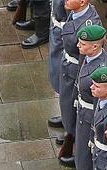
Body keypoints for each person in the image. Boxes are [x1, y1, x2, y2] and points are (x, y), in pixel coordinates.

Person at [71, 25, 107, 170]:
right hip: (83, 111)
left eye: (83, 43)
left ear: (95, 47)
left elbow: (102, 103)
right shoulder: (88, 57)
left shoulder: (102, 70)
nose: (78, 45)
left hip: (91, 117)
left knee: (90, 158)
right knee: (82, 153)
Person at [57, 0, 102, 167]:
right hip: (68, 65)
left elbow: (86, 61)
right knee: (67, 106)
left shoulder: (88, 24)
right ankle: (70, 130)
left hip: (76, 70)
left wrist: (79, 82)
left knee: (75, 110)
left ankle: (78, 150)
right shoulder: (76, 13)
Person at [46, 0, 67, 129]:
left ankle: (70, 122)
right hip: (57, 28)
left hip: (66, 33)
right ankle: (66, 115)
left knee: (67, 83)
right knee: (56, 74)